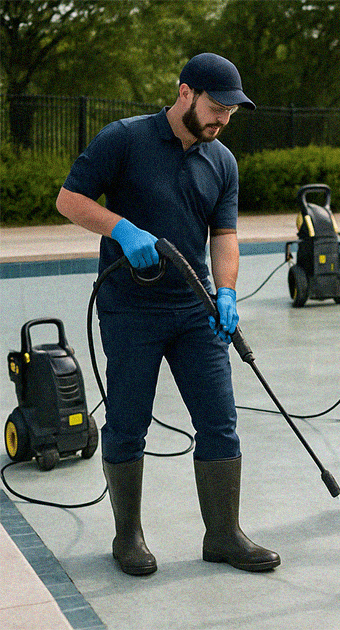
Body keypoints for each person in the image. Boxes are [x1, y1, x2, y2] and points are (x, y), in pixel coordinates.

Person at [56, 53, 280, 575]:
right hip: (131, 308)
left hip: (195, 309)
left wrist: (226, 293)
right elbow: (70, 200)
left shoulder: (221, 160)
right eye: (216, 107)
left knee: (220, 422)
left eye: (231, 112)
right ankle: (128, 536)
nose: (223, 119)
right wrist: (122, 229)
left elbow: (224, 236)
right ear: (185, 93)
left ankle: (224, 535)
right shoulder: (125, 138)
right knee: (129, 423)